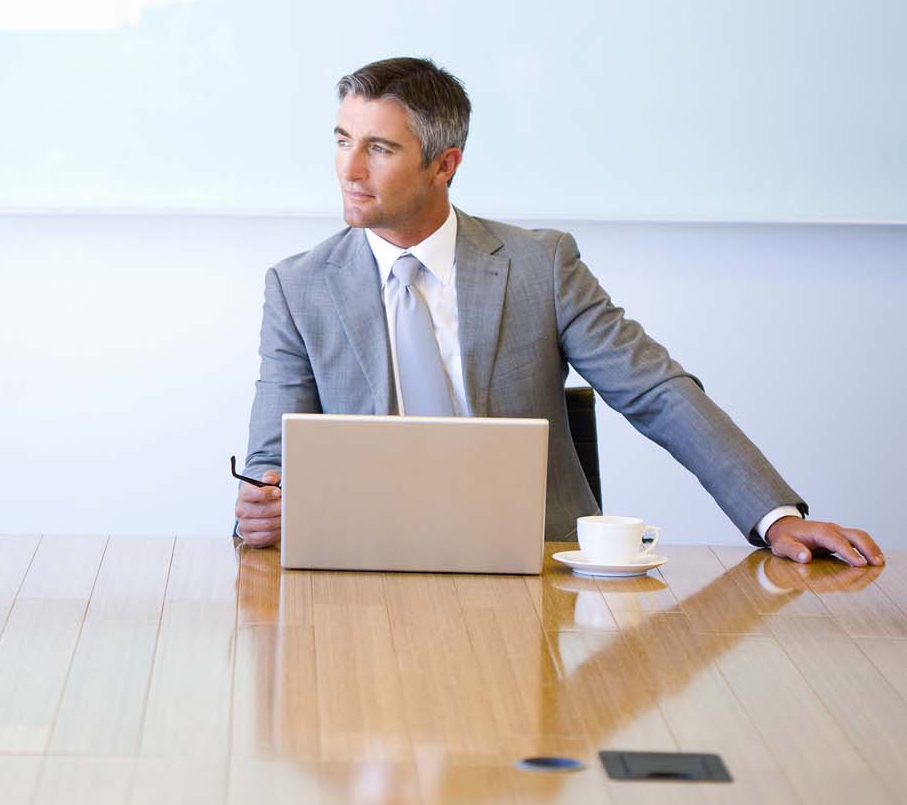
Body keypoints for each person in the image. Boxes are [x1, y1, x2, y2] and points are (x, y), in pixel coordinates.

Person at [235, 57, 883, 568]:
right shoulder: (299, 287)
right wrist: (262, 509)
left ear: (445, 165)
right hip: (363, 571)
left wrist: (775, 515)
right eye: (343, 139)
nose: (348, 167)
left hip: (536, 572)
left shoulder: (539, 264)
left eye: (379, 148)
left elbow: (655, 390)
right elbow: (270, 467)